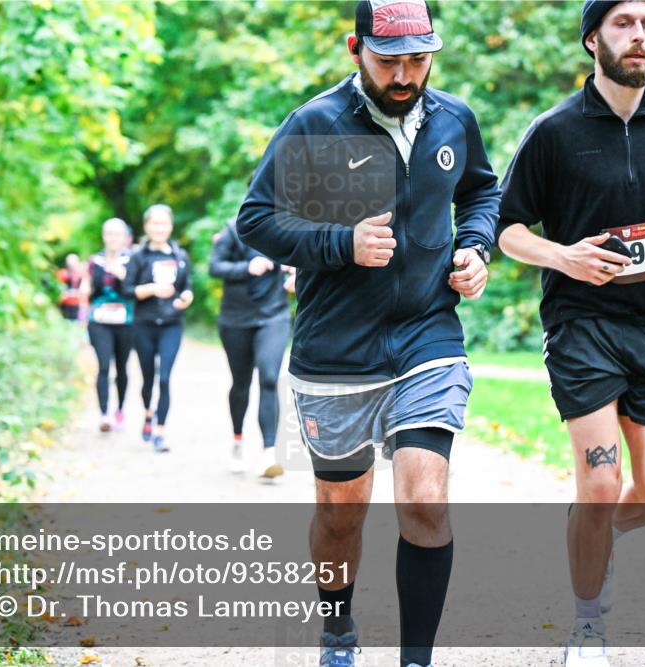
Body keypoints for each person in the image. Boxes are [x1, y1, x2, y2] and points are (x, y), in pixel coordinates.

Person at [237, 1, 500, 665]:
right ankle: (337, 630)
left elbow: (481, 192)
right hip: (336, 351)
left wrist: (475, 247)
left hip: (427, 336)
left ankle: (416, 658)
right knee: (340, 515)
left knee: (425, 500)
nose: (405, 75)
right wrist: (340, 243)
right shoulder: (314, 124)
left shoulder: (454, 118)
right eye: (389, 61)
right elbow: (256, 220)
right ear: (356, 49)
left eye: (418, 59)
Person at [495, 2, 645, 665]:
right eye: (623, 24)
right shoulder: (553, 131)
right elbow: (507, 230)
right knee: (599, 483)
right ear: (593, 38)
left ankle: (593, 536)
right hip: (581, 323)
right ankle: (587, 625)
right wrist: (564, 256)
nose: (639, 35)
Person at [209, 214, 293, 478]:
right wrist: (247, 267)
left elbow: (305, 258)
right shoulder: (232, 229)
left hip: (274, 316)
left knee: (269, 377)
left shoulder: (286, 227)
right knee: (241, 383)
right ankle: (238, 440)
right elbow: (215, 267)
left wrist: (297, 271)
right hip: (236, 319)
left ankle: (269, 452)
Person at [126, 204, 193, 453]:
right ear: (147, 226)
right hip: (143, 324)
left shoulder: (180, 256)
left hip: (171, 324)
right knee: (148, 378)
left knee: (164, 378)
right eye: (155, 223)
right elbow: (127, 289)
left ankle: (160, 431)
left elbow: (187, 288)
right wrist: (152, 289)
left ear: (171, 226)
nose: (160, 228)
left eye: (164, 223)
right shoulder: (138, 256)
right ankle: (148, 413)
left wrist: (186, 297)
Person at [80, 219, 136, 433]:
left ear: (125, 237)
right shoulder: (95, 262)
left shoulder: (133, 260)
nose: (113, 238)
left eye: (117, 234)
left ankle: (120, 410)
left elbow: (136, 289)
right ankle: (104, 415)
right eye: (109, 234)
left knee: (122, 367)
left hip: (126, 321)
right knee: (103, 366)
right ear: (104, 236)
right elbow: (87, 292)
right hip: (99, 321)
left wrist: (122, 275)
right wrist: (83, 318)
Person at [56, 253, 87, 321]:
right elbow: (58, 291)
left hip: (79, 305)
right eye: (70, 265)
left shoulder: (83, 275)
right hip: (66, 306)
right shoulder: (62, 274)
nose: (73, 267)